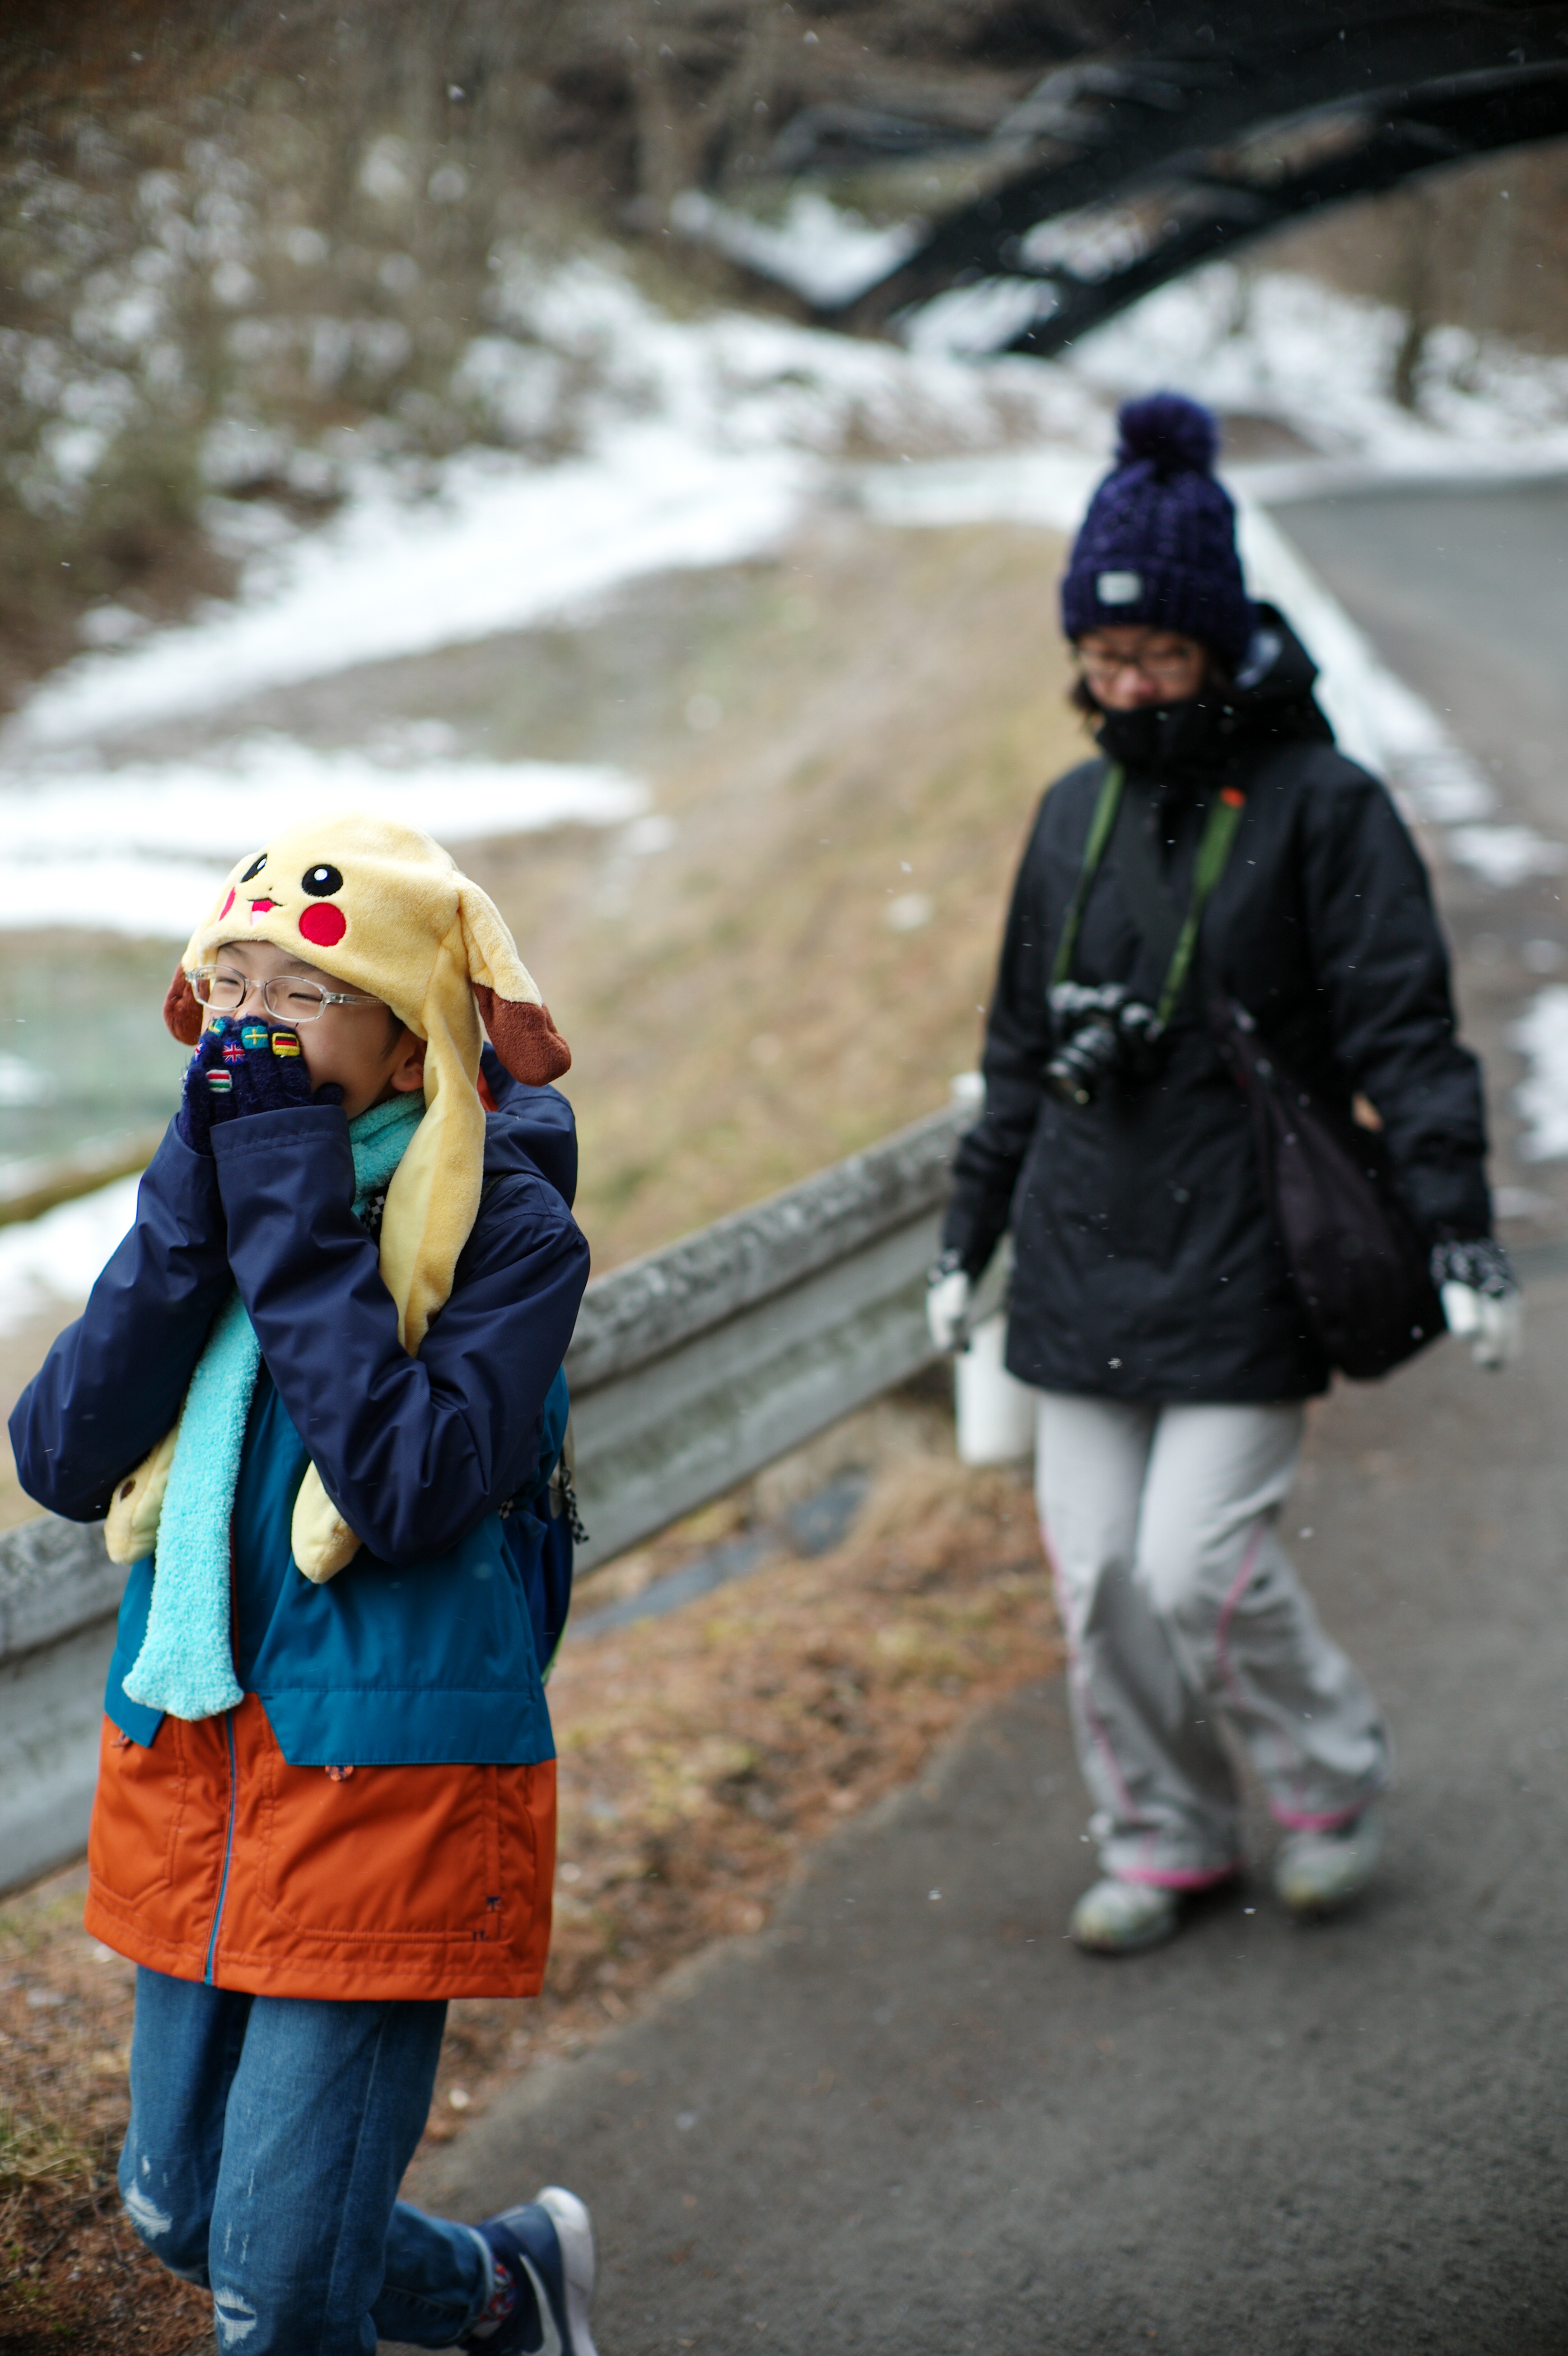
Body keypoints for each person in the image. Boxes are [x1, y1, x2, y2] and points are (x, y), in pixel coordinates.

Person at [927, 394, 1519, 1956]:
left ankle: (1328, 1780)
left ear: (1214, 645)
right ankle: (1166, 1829)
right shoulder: (1072, 813)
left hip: (1256, 1242)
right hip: (1078, 1238)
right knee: (1095, 1579)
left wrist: (1461, 1228)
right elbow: (1011, 1045)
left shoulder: (1328, 810)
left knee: (1196, 1570)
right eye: (1102, 665)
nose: (1123, 689)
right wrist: (962, 1238)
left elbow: (1411, 1034)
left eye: (1155, 662)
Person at [10, 812, 600, 2352]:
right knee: (180, 2216)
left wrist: (282, 1206)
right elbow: (62, 1455)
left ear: (411, 1051)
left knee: (277, 2302)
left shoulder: (510, 1236)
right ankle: (497, 2288)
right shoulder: (218, 1189)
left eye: (300, 996)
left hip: (378, 1782)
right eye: (231, 989)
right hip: (199, 1758)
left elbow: (405, 1489)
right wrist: (195, 1213)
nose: (250, 1029)